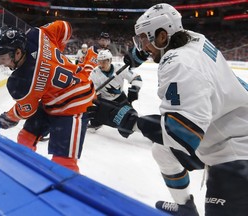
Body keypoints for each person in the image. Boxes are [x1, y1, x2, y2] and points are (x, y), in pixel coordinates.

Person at [87, 3, 248, 216]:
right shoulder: (192, 38)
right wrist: (140, 54)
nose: (142, 44)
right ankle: (186, 208)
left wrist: (126, 118)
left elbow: (183, 134)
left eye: (144, 38)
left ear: (162, 36)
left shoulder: (179, 64)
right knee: (162, 151)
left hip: (236, 150)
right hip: (227, 123)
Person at [0, 20, 95, 173]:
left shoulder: (20, 82)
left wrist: (9, 117)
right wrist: (55, 52)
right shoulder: (36, 35)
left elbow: (26, 111)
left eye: (3, 58)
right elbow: (64, 27)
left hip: (75, 102)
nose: (1, 63)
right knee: (25, 138)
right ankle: (27, 173)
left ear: (17, 53)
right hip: (54, 99)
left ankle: (63, 194)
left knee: (63, 164)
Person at [88, 49, 142, 131]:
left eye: (104, 61)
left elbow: (136, 78)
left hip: (120, 98)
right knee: (95, 118)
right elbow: (93, 89)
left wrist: (135, 89)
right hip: (104, 100)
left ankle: (148, 130)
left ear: (110, 60)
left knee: (130, 119)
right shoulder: (94, 73)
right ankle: (97, 121)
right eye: (99, 61)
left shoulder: (119, 68)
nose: (101, 64)